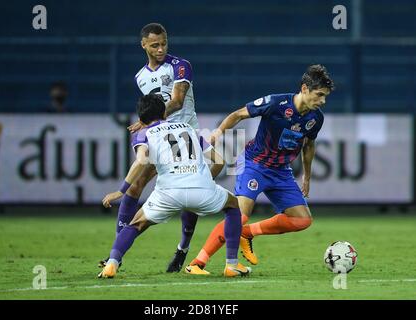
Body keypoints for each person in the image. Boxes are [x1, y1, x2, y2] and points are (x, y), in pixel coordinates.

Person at [185, 64, 335, 274]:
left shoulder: (315, 118)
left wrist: (307, 177)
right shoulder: (276, 102)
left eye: (325, 96)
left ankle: (246, 233)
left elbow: (309, 145)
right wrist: (218, 132)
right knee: (239, 214)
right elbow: (238, 114)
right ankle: (197, 263)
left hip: (281, 171)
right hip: (254, 164)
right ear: (304, 89)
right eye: (319, 95)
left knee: (302, 220)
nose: (322, 101)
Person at [98, 94, 251, 278]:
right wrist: (203, 182)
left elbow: (140, 161)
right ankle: (231, 265)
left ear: (141, 120)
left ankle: (112, 263)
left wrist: (120, 191)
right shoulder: (188, 128)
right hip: (202, 191)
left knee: (135, 224)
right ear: (164, 113)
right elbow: (219, 161)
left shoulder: (143, 133)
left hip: (168, 194)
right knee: (233, 205)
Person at [99, 23, 201, 272]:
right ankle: (116, 253)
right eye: (154, 44)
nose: (160, 48)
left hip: (185, 138)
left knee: (190, 196)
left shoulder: (180, 65)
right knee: (135, 186)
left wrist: (145, 121)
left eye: (164, 43)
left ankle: (182, 250)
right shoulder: (140, 77)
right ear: (143, 44)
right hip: (160, 137)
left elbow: (177, 102)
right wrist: (149, 124)